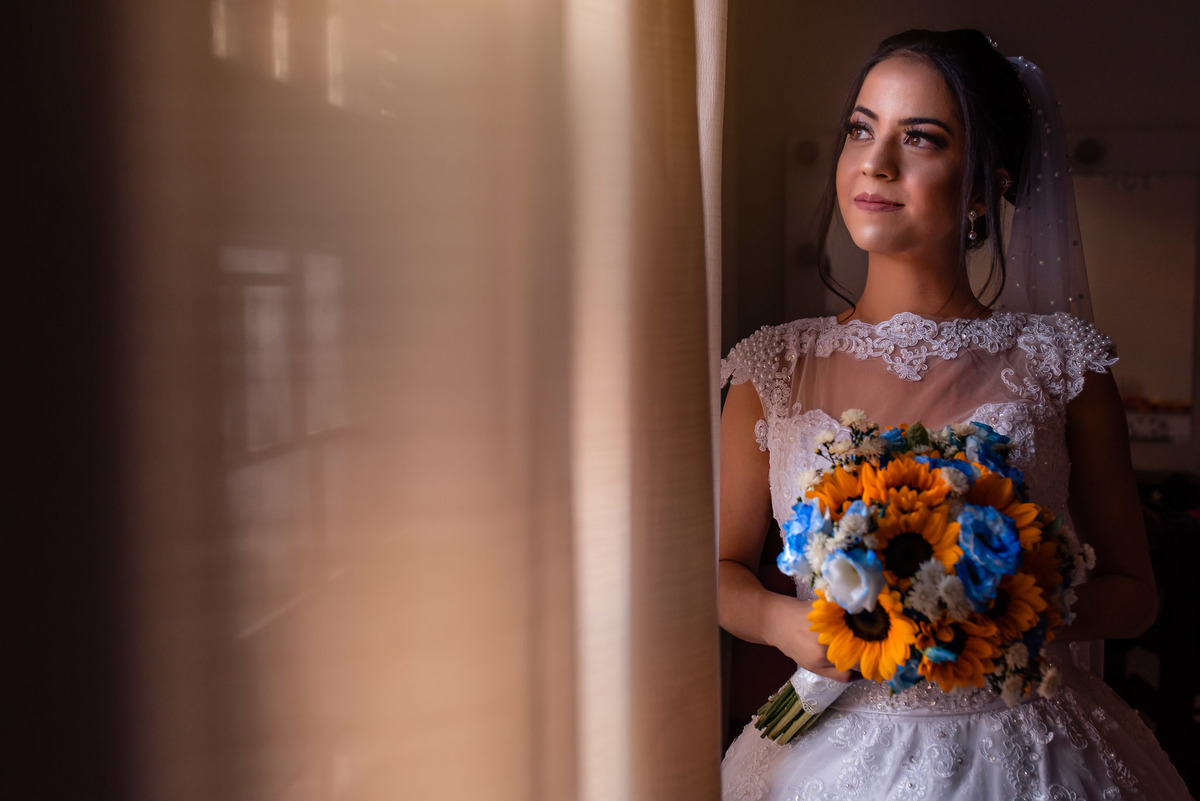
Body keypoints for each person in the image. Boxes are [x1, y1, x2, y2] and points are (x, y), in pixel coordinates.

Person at [718, 29, 1193, 800]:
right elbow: (719, 570)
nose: (875, 162)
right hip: (824, 745)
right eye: (861, 129)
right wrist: (783, 624)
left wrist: (994, 606)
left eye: (922, 138)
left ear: (982, 189)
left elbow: (1135, 593)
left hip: (1028, 747)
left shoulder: (1064, 364)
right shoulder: (771, 366)